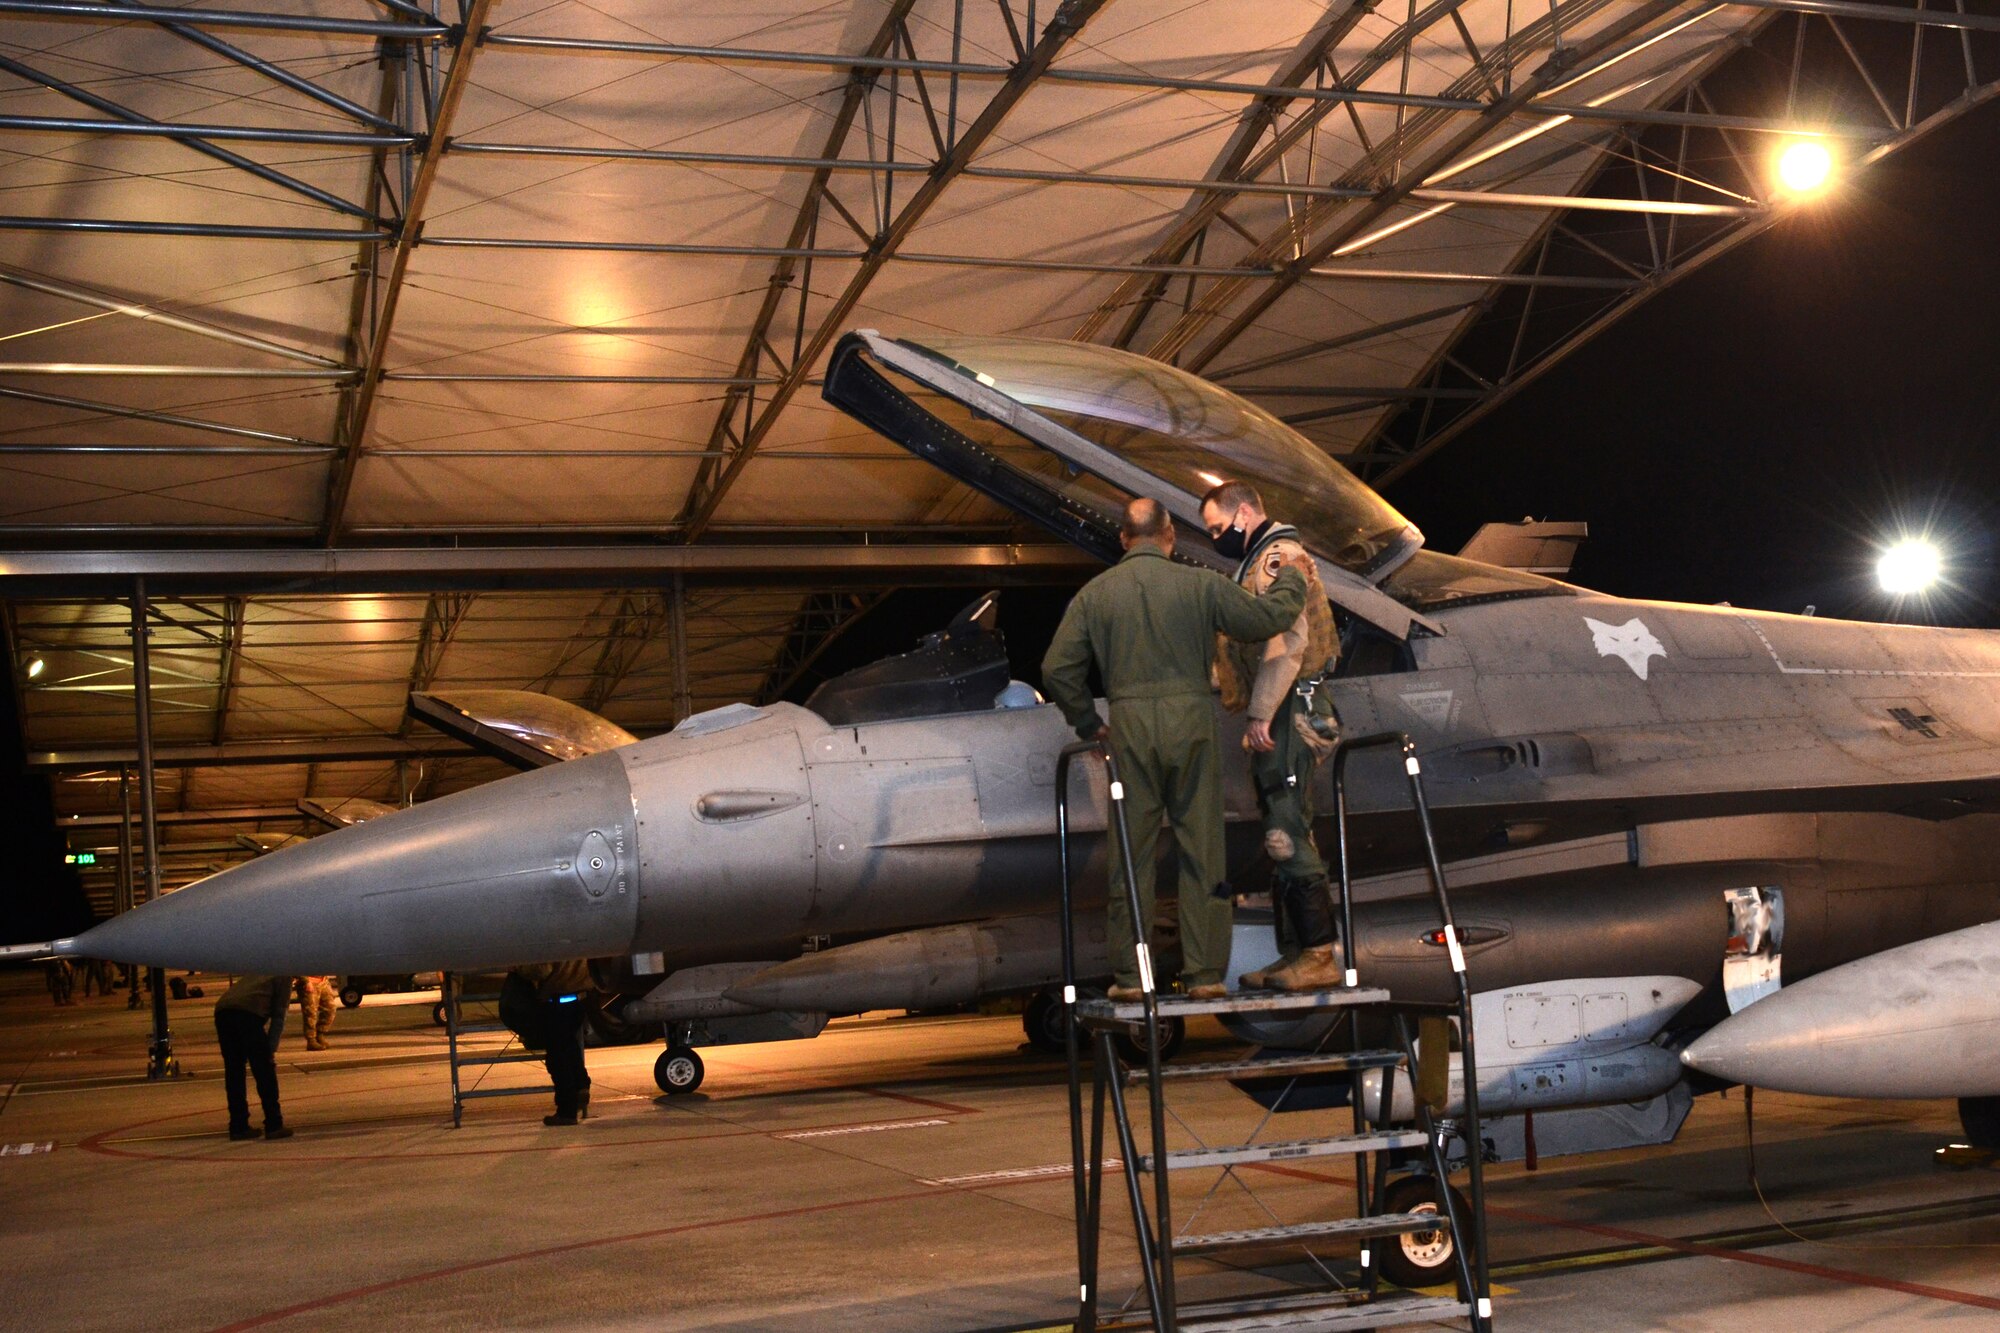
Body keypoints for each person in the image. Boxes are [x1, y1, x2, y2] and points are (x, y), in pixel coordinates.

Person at [1041, 497, 1310, 1000]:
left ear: (1124, 539)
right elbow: (1264, 619)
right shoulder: (1200, 583)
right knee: (1201, 851)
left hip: (1129, 727)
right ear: (1169, 538)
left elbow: (1057, 669)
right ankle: (1205, 977)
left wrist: (1086, 723)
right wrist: (1292, 574)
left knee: (1131, 854)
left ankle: (1129, 979)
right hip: (1191, 724)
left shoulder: (1094, 596)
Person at [1200, 480, 1346, 992]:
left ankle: (1317, 956)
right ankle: (1297, 957)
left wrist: (1261, 713)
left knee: (1285, 832)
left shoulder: (1277, 558)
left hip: (1292, 707)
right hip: (1286, 708)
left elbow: (1288, 640)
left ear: (1243, 514)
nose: (1216, 536)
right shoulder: (1256, 560)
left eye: (1218, 527)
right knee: (1285, 830)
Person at [508, 960, 594, 1126]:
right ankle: (581, 1085)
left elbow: (542, 970)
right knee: (569, 1047)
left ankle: (566, 1110)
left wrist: (518, 967)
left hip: (558, 998)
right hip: (580, 996)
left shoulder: (552, 939)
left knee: (557, 1057)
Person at [213, 974, 294, 1141]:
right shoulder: (285, 975)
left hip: (223, 1010)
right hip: (248, 1014)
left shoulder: (261, 968)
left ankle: (238, 1126)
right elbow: (279, 1017)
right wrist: (270, 1050)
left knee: (234, 1071)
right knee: (264, 1072)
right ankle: (274, 1124)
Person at [294, 975, 337, 1051]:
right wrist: (305, 981)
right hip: (309, 981)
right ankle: (311, 1040)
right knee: (310, 1013)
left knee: (330, 1008)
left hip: (323, 981)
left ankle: (320, 1033)